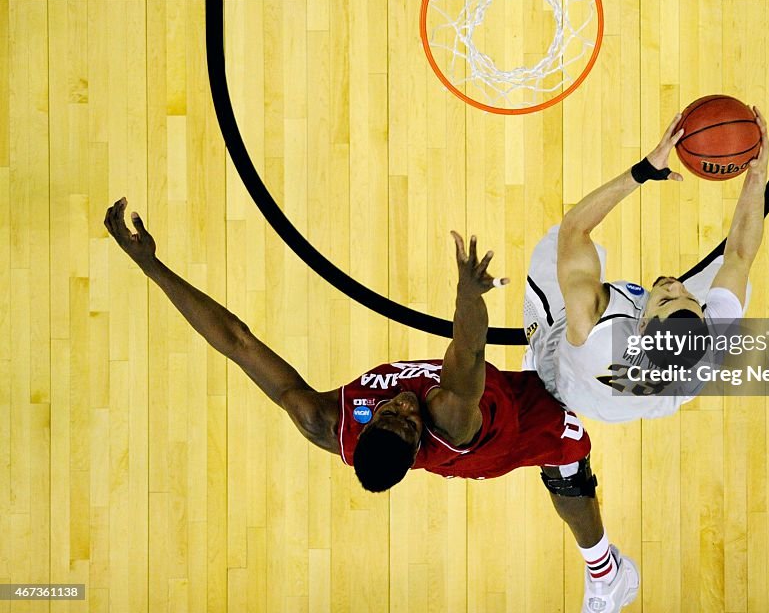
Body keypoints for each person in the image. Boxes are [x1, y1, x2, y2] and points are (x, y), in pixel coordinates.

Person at [104, 199, 639, 613]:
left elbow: (238, 343)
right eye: (409, 424)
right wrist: (467, 293)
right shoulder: (449, 417)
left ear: (364, 427)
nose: (403, 406)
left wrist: (152, 267)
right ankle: (605, 572)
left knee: (563, 248)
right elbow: (467, 347)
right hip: (524, 421)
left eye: (390, 414)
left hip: (515, 373)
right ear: (417, 446)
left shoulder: (327, 421)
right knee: (574, 457)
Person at [522, 108, 769, 423]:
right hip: (640, 404)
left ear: (641, 327)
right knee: (735, 279)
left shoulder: (592, 329)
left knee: (559, 245)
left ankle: (535, 370)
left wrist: (643, 171)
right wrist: (757, 175)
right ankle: (678, 307)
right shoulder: (709, 342)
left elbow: (575, 228)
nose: (674, 284)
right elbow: (739, 254)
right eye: (690, 298)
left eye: (667, 297)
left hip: (563, 381)